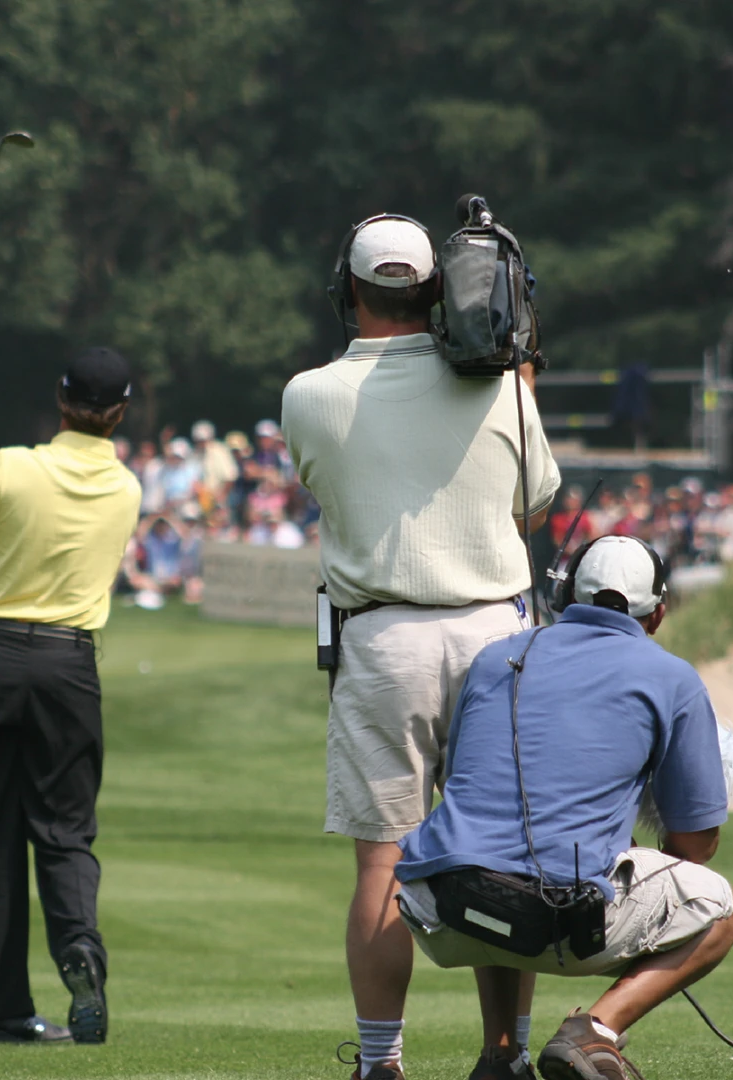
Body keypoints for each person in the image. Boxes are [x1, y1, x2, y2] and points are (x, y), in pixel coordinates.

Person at [281, 214, 560, 1080]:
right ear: (435, 289)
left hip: (385, 637)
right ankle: (502, 1054)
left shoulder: (309, 394)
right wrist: (520, 372)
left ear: (348, 292)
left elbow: (321, 479)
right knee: (503, 860)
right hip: (496, 636)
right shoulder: (500, 387)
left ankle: (379, 1063)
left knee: (383, 860)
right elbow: (536, 498)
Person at [395, 535, 733, 1080]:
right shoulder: (673, 677)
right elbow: (695, 845)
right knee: (721, 908)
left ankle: (501, 1058)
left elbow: (467, 787)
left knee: (489, 852)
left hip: (436, 908)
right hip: (557, 922)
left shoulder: (495, 657)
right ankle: (594, 1032)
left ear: (563, 599)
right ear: (658, 613)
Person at [0, 346, 142, 1046]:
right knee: (66, 832)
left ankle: (5, 1011)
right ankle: (81, 950)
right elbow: (23, 489)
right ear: (121, 413)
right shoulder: (125, 488)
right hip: (68, 668)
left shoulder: (14, 467)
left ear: (60, 401)